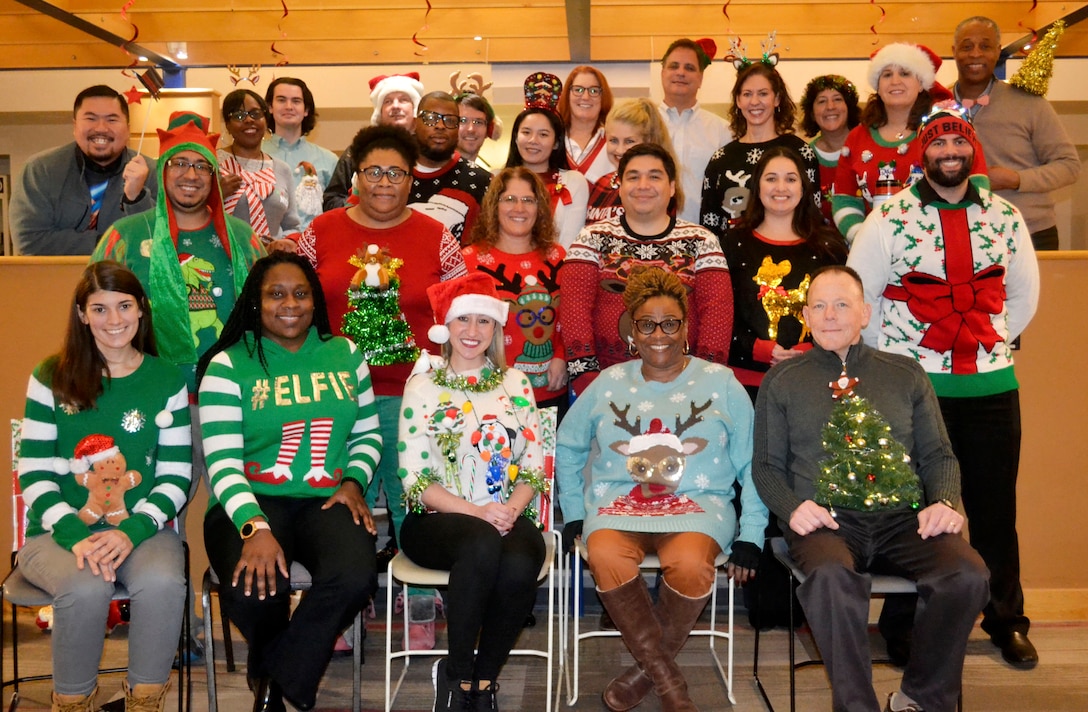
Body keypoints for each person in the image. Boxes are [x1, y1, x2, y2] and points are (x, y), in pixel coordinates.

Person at [848, 105, 1041, 668]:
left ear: (971, 150)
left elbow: (1022, 297)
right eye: (938, 144)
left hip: (990, 386)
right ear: (922, 152)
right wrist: (898, 364)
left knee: (994, 509)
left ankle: (1006, 620)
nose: (949, 152)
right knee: (914, 509)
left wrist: (985, 342)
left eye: (959, 143)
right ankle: (904, 624)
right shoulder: (889, 218)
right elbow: (864, 298)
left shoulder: (1005, 216)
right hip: (915, 390)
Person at [753, 264, 990, 712]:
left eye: (841, 304)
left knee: (967, 573)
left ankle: (919, 699)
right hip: (825, 525)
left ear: (865, 312)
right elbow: (765, 467)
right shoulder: (782, 380)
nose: (829, 315)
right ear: (805, 314)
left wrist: (941, 501)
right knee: (829, 580)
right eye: (818, 306)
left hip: (904, 521)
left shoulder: (904, 373)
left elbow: (939, 455)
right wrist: (792, 506)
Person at [556, 266, 766, 712]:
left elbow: (752, 461)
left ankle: (643, 675)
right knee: (607, 556)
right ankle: (670, 685)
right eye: (646, 324)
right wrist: (574, 509)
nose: (659, 334)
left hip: (700, 507)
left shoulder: (721, 382)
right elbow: (568, 447)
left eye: (670, 323)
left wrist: (752, 531)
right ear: (632, 329)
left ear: (686, 326)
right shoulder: (608, 383)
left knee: (691, 566)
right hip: (617, 506)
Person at [198, 252, 382, 712]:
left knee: (355, 575)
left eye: (301, 293)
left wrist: (355, 480)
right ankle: (283, 678)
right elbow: (221, 463)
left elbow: (367, 433)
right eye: (276, 294)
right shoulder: (228, 365)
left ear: (315, 300)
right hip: (250, 500)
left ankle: (276, 678)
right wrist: (254, 527)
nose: (290, 303)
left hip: (327, 497)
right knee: (252, 588)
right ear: (256, 302)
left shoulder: (346, 354)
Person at [18, 261, 191, 712]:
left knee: (161, 582)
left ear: (141, 310)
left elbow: (175, 475)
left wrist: (129, 531)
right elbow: (34, 472)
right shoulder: (49, 375)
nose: (114, 320)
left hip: (142, 530)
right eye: (99, 309)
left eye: (124, 306)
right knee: (87, 585)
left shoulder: (168, 379)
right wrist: (78, 536)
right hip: (55, 534)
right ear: (82, 314)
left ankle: (144, 701)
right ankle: (71, 703)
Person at [296, 124, 467, 562]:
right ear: (355, 176)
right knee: (336, 507)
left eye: (397, 173)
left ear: (412, 179)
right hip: (334, 395)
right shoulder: (319, 231)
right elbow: (292, 308)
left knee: (414, 504)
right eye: (374, 171)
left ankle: (419, 609)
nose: (385, 183)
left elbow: (463, 316)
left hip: (412, 396)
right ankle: (344, 605)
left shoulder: (438, 237)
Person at [398, 272, 549, 712]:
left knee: (523, 560)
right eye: (463, 319)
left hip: (503, 513)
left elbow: (533, 465)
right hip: (434, 520)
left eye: (484, 322)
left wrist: (510, 509)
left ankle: (483, 681)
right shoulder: (423, 385)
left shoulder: (516, 384)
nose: (472, 331)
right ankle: (458, 674)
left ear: (497, 330)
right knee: (482, 543)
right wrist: (478, 514)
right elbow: (414, 479)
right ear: (446, 326)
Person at [560, 143, 732, 396]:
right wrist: (588, 382)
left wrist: (704, 382)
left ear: (672, 187)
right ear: (620, 186)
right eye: (633, 177)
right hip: (605, 387)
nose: (643, 185)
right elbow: (575, 311)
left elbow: (717, 317)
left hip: (686, 388)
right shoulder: (590, 238)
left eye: (654, 176)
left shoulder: (702, 241)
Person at [830, 42, 987, 244]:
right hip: (874, 249)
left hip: (939, 245)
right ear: (877, 85)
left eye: (904, 73)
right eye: (886, 75)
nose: (895, 81)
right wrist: (864, 238)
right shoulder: (857, 137)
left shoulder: (948, 128)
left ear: (921, 83)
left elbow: (978, 187)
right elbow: (844, 198)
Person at [723, 145, 847, 400]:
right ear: (757, 187)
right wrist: (758, 349)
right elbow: (720, 314)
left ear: (803, 188)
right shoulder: (731, 244)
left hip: (814, 381)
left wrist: (813, 348)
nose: (781, 187)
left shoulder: (830, 248)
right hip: (743, 387)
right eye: (771, 179)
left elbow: (844, 311)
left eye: (790, 179)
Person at [952, 16, 1081, 251]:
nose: (975, 54)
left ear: (998, 51)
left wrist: (1017, 179)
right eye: (967, 46)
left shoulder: (1029, 103)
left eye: (986, 46)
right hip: (959, 233)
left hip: (1030, 232)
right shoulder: (937, 105)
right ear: (954, 51)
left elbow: (1069, 166)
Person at [463, 167, 568, 410]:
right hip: (488, 391)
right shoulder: (469, 260)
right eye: (509, 199)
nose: (519, 208)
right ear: (494, 206)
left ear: (540, 208)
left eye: (528, 200)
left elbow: (570, 317)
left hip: (549, 390)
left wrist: (562, 357)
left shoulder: (558, 257)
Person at [12, 85, 157, 255]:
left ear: (127, 129)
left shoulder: (151, 172)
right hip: (54, 278)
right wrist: (107, 243)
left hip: (128, 279)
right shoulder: (41, 170)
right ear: (75, 126)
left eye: (112, 119)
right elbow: (29, 239)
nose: (101, 128)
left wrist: (137, 198)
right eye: (91, 119)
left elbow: (158, 239)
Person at [702, 60, 819, 239]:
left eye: (763, 94)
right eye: (747, 94)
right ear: (738, 100)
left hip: (791, 255)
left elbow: (813, 216)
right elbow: (710, 227)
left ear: (777, 99)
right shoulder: (721, 159)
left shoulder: (800, 152)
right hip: (733, 261)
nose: (755, 102)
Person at [507, 73, 589, 249]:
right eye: (526, 132)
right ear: (515, 137)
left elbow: (568, 242)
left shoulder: (574, 182)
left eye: (543, 134)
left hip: (556, 270)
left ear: (556, 143)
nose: (533, 140)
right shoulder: (496, 180)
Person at [323, 72, 425, 211]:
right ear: (379, 112)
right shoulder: (358, 150)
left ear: (415, 108)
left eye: (403, 100)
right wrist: (358, 206)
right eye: (388, 101)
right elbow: (331, 200)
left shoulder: (429, 151)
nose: (395, 106)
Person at [657, 38, 732, 225]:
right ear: (662, 73)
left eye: (689, 68)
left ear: (700, 78)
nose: (680, 72)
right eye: (674, 66)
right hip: (648, 237)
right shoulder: (643, 124)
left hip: (704, 237)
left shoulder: (723, 131)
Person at [218, 89, 302, 246]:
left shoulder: (282, 169)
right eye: (239, 115)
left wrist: (285, 243)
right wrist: (216, 195)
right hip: (226, 260)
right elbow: (194, 215)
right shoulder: (214, 164)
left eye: (255, 114)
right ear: (227, 125)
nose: (249, 120)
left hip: (271, 263)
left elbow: (292, 226)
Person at [263, 77, 340, 230]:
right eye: (281, 100)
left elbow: (338, 211)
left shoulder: (328, 160)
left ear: (306, 110)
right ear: (270, 107)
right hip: (264, 246)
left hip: (313, 246)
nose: (289, 106)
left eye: (296, 101)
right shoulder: (254, 155)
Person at [586, 97, 677, 225]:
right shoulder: (601, 184)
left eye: (629, 141)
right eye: (613, 140)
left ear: (648, 142)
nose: (620, 150)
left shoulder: (654, 189)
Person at [799, 75, 861, 224]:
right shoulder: (804, 157)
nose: (830, 107)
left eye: (837, 99)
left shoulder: (865, 150)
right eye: (821, 101)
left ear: (849, 107)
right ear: (812, 113)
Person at [558, 65, 615, 184]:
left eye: (594, 91)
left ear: (603, 97)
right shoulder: (553, 140)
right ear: (567, 95)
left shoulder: (614, 141)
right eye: (578, 90)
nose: (585, 97)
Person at [456, 91, 501, 169]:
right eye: (463, 121)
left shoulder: (488, 179)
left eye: (478, 122)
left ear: (490, 130)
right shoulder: (433, 175)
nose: (471, 129)